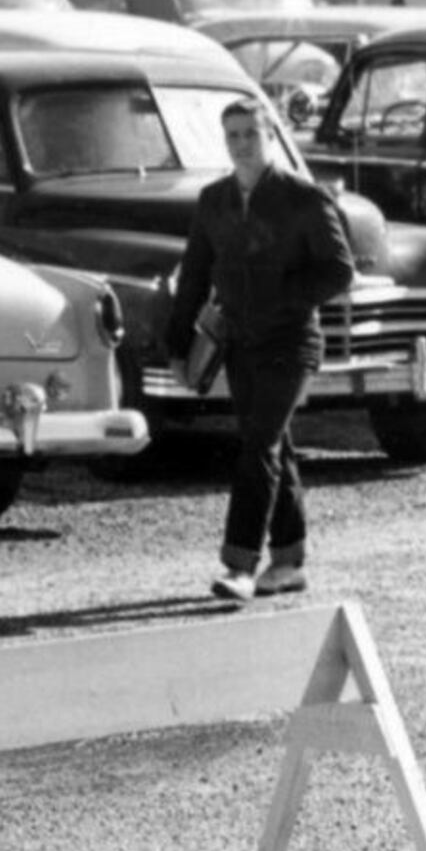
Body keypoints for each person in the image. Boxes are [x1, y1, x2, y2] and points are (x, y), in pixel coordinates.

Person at [161, 96, 354, 603]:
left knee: (258, 447)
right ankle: (288, 561)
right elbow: (194, 276)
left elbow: (339, 269)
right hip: (239, 344)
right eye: (233, 135)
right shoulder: (213, 201)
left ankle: (239, 564)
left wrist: (281, 297)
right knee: (272, 446)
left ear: (271, 135)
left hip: (292, 343)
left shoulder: (304, 198)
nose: (243, 144)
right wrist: (178, 347)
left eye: (251, 133)